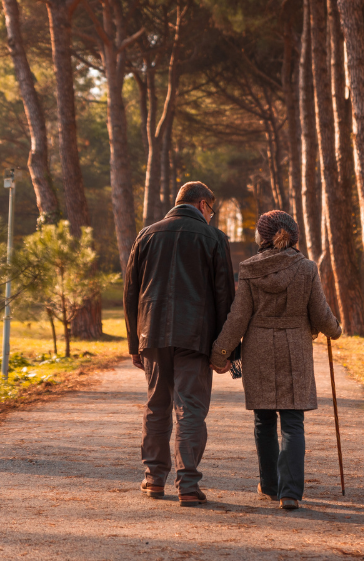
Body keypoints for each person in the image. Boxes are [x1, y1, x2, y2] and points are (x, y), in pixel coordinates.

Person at [208, 210, 341, 510]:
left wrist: (220, 352)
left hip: (259, 351)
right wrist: (335, 329)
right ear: (293, 235)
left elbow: (238, 317)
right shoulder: (307, 268)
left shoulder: (249, 269)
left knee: (264, 421)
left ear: (262, 237)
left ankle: (269, 485)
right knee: (293, 422)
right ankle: (290, 493)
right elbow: (321, 313)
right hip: (295, 347)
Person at [124, 181, 235, 507]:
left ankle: (153, 479)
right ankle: (187, 485)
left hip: (154, 336)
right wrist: (226, 351)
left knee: (157, 407)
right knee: (190, 410)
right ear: (202, 204)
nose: (211, 217)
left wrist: (135, 343)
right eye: (211, 211)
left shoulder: (147, 235)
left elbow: (131, 292)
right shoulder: (214, 239)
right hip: (195, 339)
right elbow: (225, 297)